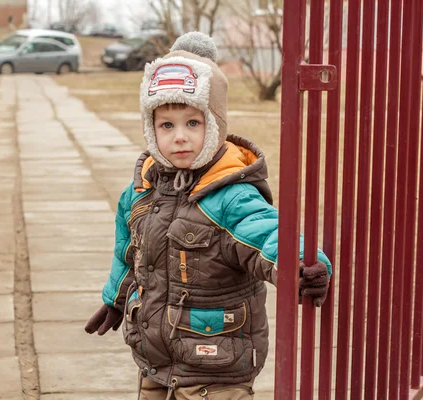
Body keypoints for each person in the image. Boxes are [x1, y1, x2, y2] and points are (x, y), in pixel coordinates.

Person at [85, 31, 332, 400]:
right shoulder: (143, 189)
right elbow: (129, 249)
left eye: (193, 123)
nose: (179, 137)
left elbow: (266, 233)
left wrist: (302, 262)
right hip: (155, 362)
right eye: (166, 125)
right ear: (151, 129)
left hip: (216, 370)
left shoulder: (230, 195)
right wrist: (116, 297)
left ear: (214, 125)